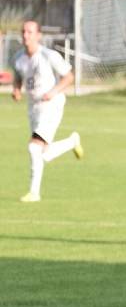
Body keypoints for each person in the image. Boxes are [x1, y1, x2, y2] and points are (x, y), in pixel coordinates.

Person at [12, 20, 83, 203]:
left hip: (52, 105)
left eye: (29, 32)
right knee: (44, 153)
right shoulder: (18, 58)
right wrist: (16, 89)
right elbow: (18, 76)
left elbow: (69, 76)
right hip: (33, 107)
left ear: (38, 35)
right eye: (23, 32)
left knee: (34, 146)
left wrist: (53, 92)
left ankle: (34, 193)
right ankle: (72, 141)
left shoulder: (48, 55)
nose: (25, 35)